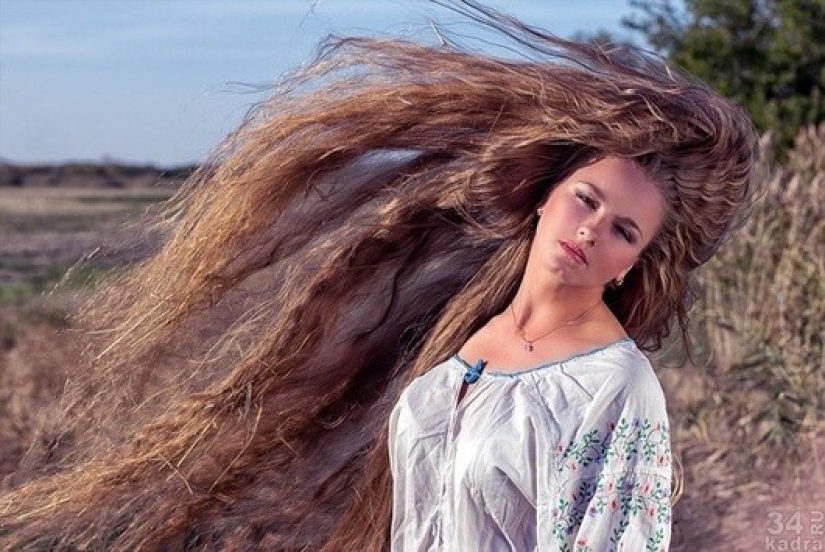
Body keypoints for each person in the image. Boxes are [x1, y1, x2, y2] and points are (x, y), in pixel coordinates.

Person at [0, 1, 755, 550]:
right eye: (584, 199)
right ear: (543, 198)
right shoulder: (473, 336)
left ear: (633, 263)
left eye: (622, 229)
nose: (591, 230)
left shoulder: (612, 390)